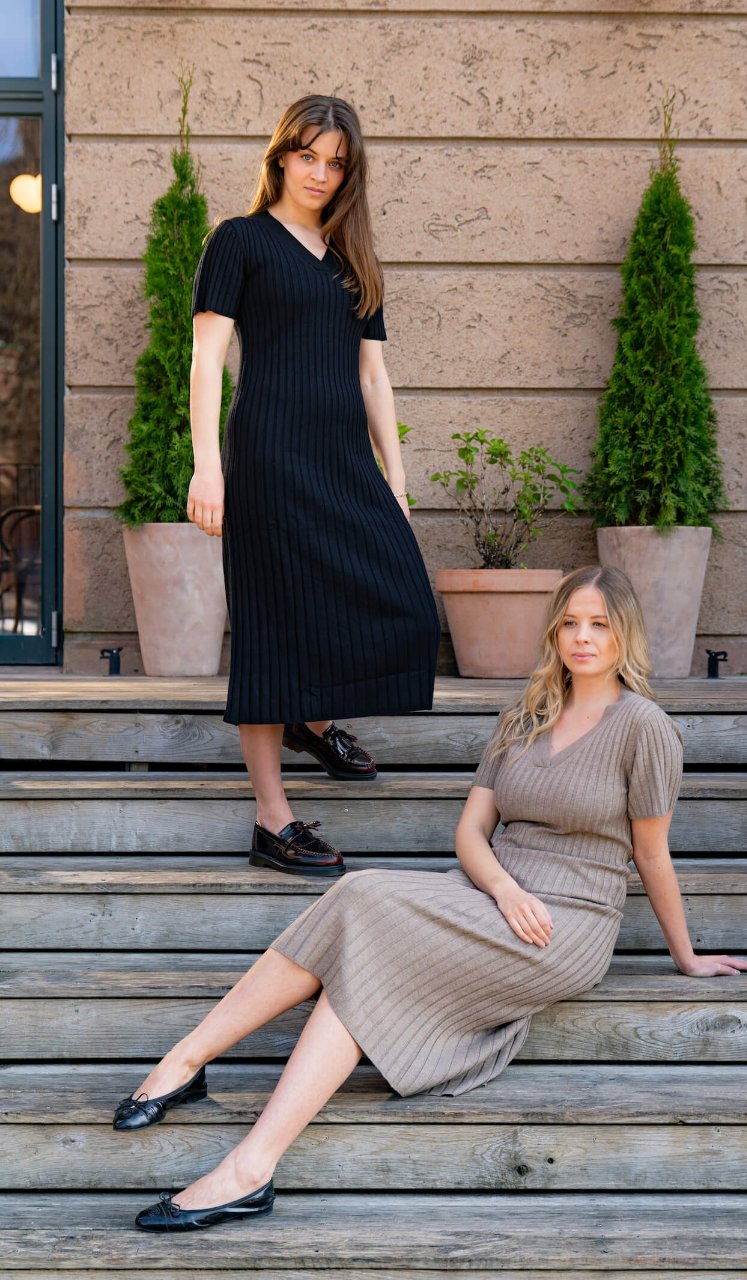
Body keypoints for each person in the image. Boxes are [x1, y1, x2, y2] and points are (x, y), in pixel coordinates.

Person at [114, 564, 747, 1232]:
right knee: (362, 950)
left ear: (624, 633)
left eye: (598, 624)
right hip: (491, 894)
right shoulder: (527, 712)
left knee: (362, 895)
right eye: (569, 622)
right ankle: (242, 1155)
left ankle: (194, 1077)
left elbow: (651, 854)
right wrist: (503, 887)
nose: (582, 638)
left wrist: (683, 956)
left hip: (564, 924)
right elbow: (470, 832)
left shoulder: (645, 727)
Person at [188, 94, 440, 875]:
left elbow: (373, 375)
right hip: (266, 454)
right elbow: (205, 363)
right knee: (269, 626)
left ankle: (313, 717)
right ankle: (273, 819)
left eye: (336, 162)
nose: (321, 173)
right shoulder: (239, 241)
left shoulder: (351, 258)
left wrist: (394, 479)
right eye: (308, 155)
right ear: (280, 156)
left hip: (341, 458)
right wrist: (208, 465)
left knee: (399, 595)